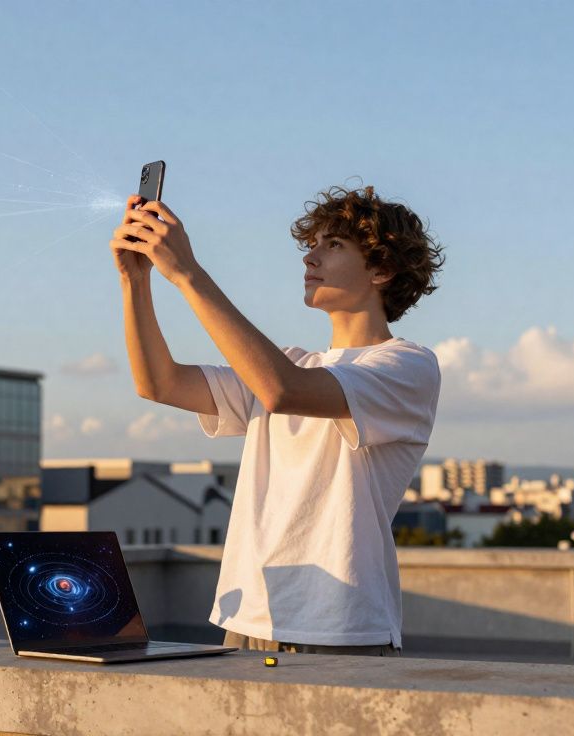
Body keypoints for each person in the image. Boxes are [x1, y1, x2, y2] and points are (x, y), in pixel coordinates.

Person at [110, 184, 444, 656]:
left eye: (333, 245)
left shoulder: (407, 365)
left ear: (382, 269)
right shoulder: (291, 361)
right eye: (311, 245)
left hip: (340, 626)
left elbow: (281, 390)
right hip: (249, 616)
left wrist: (187, 273)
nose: (310, 258)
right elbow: (159, 383)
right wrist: (135, 281)